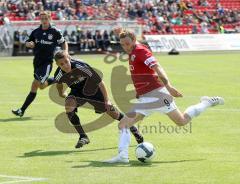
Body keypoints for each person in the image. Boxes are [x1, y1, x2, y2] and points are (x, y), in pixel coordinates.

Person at [104, 30, 224, 163]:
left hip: (158, 95)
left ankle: (206, 103)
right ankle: (123, 156)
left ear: (133, 39)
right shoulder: (132, 52)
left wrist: (169, 87)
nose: (125, 47)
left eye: (127, 43)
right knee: (124, 124)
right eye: (122, 45)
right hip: (146, 97)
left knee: (181, 121)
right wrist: (139, 91)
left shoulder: (141, 50)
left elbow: (157, 67)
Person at [53, 50, 144, 148]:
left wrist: (107, 100)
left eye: (66, 62)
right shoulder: (58, 74)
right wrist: (61, 93)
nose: (65, 65)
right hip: (77, 92)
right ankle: (83, 137)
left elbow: (100, 82)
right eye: (62, 64)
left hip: (93, 89)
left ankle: (133, 128)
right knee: (68, 107)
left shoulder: (81, 67)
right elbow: (58, 84)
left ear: (69, 58)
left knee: (112, 112)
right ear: (58, 65)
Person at [12, 11, 68, 117]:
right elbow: (28, 42)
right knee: (41, 86)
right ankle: (57, 79)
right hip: (37, 62)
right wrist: (29, 44)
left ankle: (21, 110)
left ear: (50, 19)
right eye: (42, 18)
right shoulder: (36, 32)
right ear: (40, 19)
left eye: (46, 18)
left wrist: (65, 52)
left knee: (35, 84)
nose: (44, 20)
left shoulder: (55, 31)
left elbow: (63, 42)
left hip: (47, 63)